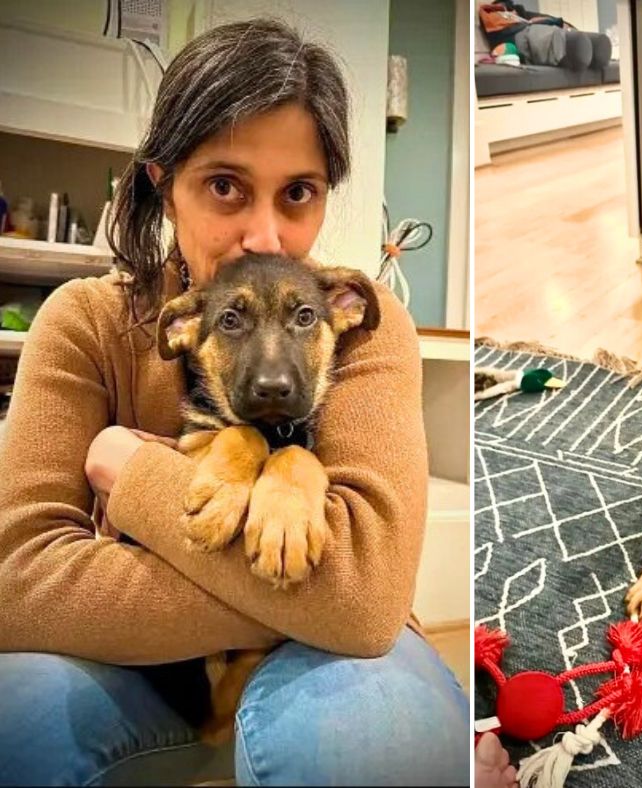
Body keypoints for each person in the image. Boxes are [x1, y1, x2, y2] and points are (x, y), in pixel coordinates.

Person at [0, 19, 470, 786]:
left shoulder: (356, 321)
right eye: (225, 186)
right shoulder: (85, 321)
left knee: (378, 739)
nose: (265, 236)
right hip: (140, 672)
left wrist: (138, 477)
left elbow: (370, 604)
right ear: (162, 182)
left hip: (318, 665)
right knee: (16, 717)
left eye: (298, 194)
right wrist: (319, 592)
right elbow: (18, 585)